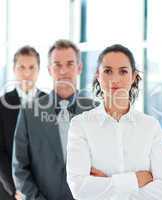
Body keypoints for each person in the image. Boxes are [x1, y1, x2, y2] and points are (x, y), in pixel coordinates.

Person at [66, 44, 162, 200]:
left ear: (133, 77)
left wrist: (107, 184)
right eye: (108, 71)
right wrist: (136, 180)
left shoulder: (150, 126)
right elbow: (79, 189)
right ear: (98, 75)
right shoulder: (80, 125)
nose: (115, 79)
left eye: (123, 71)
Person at [12, 39, 99, 200]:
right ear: (49, 70)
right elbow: (19, 168)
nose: (63, 71)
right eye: (57, 65)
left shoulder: (97, 111)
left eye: (69, 64)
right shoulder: (29, 112)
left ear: (79, 68)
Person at [0, 46, 46, 200]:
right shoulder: (2, 104)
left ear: (39, 70)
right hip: (10, 191)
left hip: (44, 190)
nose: (27, 73)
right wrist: (16, 189)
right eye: (21, 67)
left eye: (32, 67)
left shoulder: (51, 103)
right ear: (14, 69)